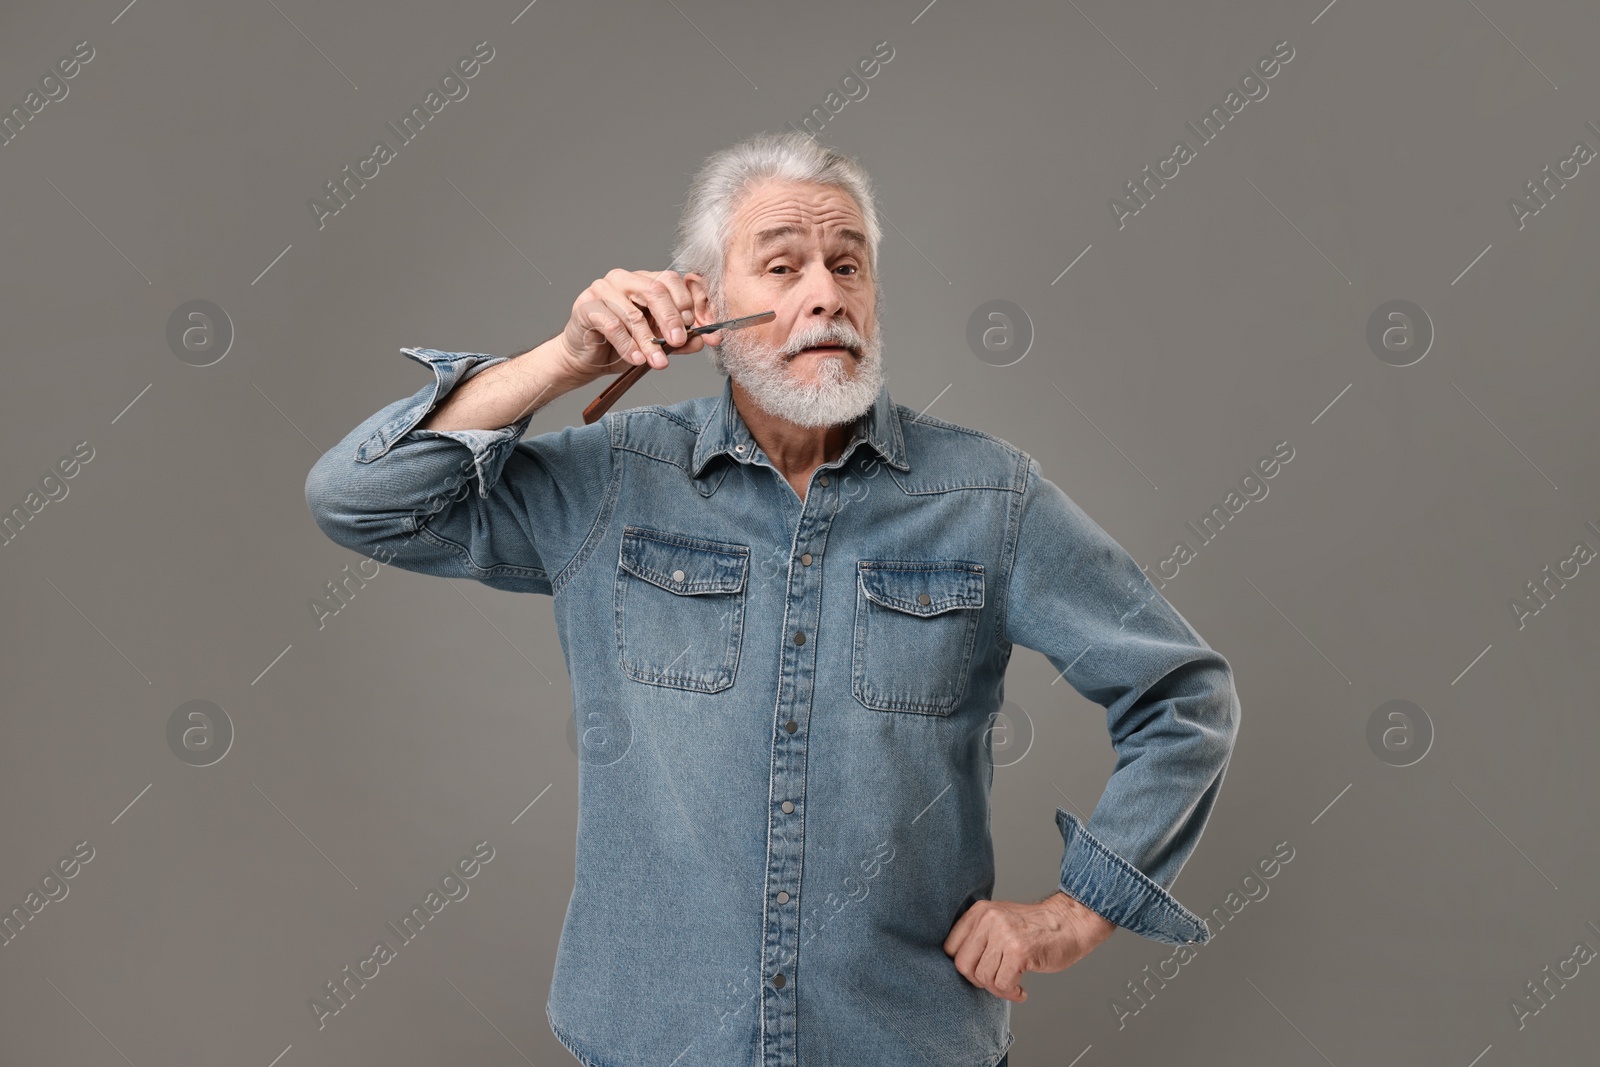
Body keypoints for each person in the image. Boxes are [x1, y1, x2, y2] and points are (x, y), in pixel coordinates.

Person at [305, 130, 1240, 1067]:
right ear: (703, 303)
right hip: (650, 1045)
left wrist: (1079, 913)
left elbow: (1182, 697)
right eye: (783, 265)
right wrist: (562, 360)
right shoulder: (612, 482)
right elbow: (358, 497)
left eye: (848, 266)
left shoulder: (989, 498)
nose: (825, 293)